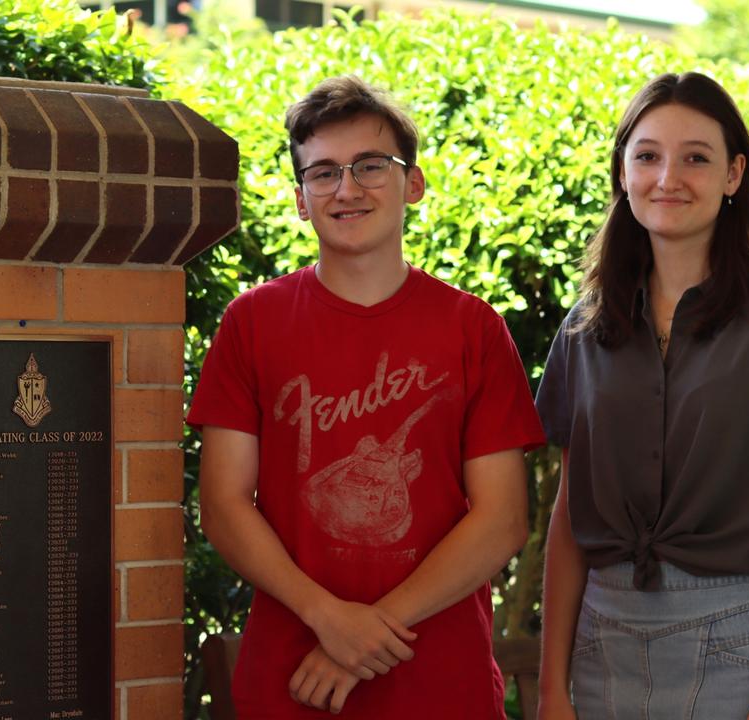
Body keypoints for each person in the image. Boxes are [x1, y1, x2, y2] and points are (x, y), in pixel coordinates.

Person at [187, 75, 545, 718]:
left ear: (414, 184)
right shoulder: (252, 324)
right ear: (300, 199)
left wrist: (361, 634)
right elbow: (223, 504)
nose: (347, 188)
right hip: (291, 684)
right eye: (322, 173)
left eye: (370, 166)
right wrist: (326, 616)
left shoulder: (473, 329)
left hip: (441, 685)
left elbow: (502, 520)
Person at [535, 71, 749, 720]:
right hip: (603, 652)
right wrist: (550, 692)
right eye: (647, 156)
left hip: (745, 649)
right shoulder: (584, 327)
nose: (668, 177)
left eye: (696, 158)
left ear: (734, 175)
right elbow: (569, 522)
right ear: (622, 173)